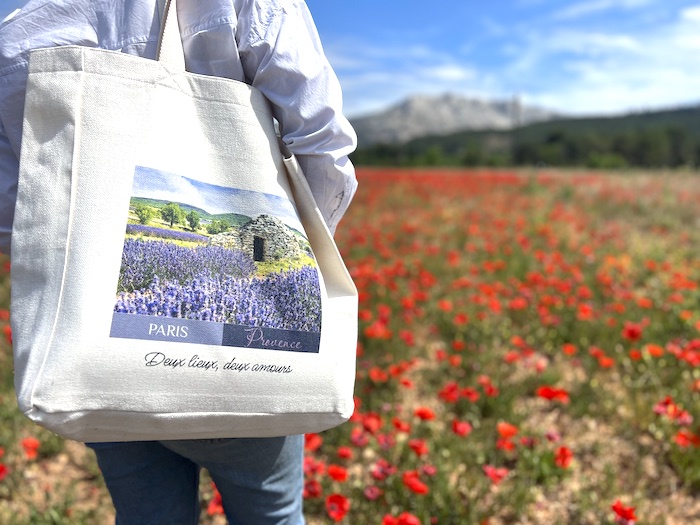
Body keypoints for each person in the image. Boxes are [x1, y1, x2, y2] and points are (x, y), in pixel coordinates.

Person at [0, 1, 357, 523]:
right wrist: (278, 263)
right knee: (271, 515)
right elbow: (322, 145)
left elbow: (20, 211)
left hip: (100, 361)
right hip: (248, 367)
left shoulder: (22, 25)